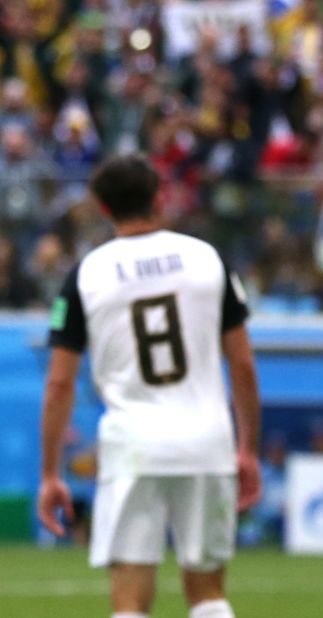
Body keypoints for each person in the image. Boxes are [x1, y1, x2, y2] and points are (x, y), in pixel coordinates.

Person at [37, 154, 262, 618]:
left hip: (132, 447)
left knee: (130, 602)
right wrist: (248, 448)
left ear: (102, 208)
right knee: (209, 594)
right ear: (160, 197)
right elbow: (242, 364)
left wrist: (50, 474)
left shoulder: (86, 275)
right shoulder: (207, 259)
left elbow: (60, 384)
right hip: (207, 440)